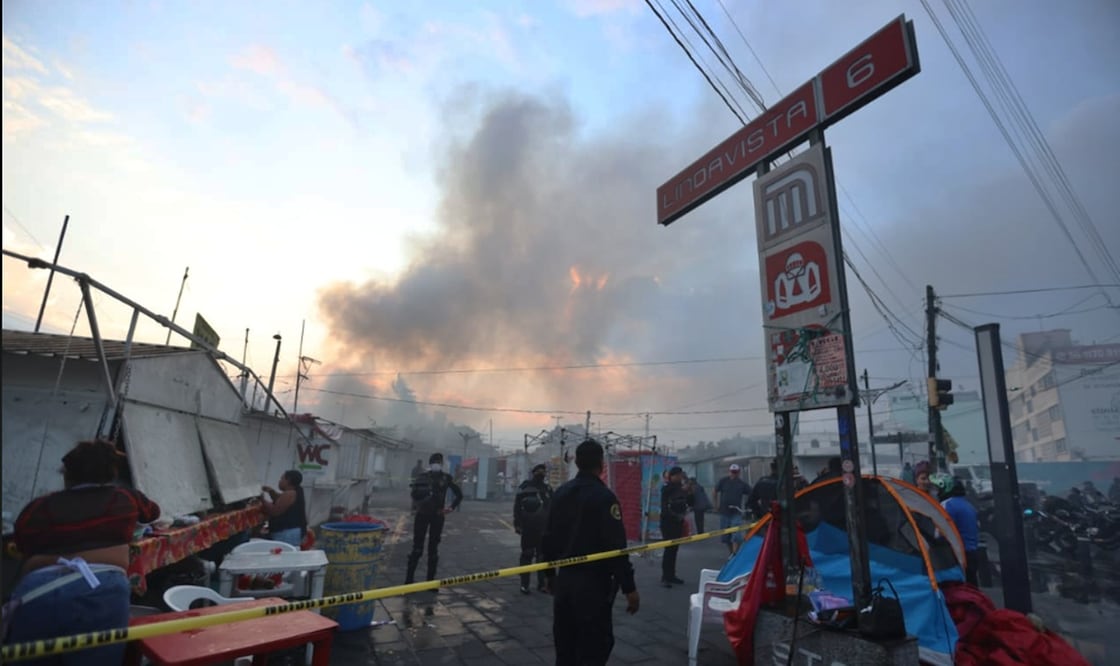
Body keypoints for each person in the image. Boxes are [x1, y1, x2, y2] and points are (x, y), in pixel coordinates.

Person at [5, 439, 161, 665]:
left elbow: (21, 542)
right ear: (111, 473)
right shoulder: (125, 498)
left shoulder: (39, 507)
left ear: (67, 475)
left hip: (38, 592)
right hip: (102, 590)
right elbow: (152, 513)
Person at [542, 439, 639, 666]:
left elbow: (548, 538)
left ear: (577, 462)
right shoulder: (605, 498)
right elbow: (616, 547)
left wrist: (549, 575)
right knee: (595, 647)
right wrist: (629, 587)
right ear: (601, 464)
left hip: (565, 582)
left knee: (565, 645)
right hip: (593, 586)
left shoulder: (561, 493)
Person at [405, 453, 463, 584]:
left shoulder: (437, 477)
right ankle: (412, 581)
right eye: (436, 461)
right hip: (429, 515)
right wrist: (451, 508)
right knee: (420, 548)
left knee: (431, 549)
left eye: (438, 461)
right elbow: (414, 494)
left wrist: (450, 508)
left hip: (431, 515)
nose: (437, 464)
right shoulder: (441, 477)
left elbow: (459, 495)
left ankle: (425, 581)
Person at [932, 474, 980, 586]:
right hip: (972, 553)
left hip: (956, 556)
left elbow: (939, 533)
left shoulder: (946, 505)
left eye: (938, 489)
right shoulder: (968, 505)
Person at [514, 463, 553, 594]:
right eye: (539, 471)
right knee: (528, 556)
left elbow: (552, 508)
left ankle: (541, 584)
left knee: (541, 557)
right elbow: (517, 507)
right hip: (529, 529)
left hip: (542, 529)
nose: (541, 474)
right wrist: (517, 524)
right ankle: (525, 584)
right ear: (534, 473)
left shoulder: (547, 488)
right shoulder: (525, 487)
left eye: (543, 472)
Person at [659, 466, 692, 587]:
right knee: (669, 550)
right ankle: (665, 577)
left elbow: (688, 501)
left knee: (674, 550)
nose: (679, 477)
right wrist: (675, 516)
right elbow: (664, 508)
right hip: (668, 523)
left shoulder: (680, 488)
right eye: (677, 475)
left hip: (679, 522)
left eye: (680, 475)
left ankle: (672, 575)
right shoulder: (666, 488)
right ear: (671, 476)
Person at [261, 470, 307, 548]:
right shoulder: (296, 491)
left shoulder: (290, 494)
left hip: (287, 534)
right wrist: (271, 491)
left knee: (283, 557)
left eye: (281, 479)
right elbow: (279, 499)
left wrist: (261, 499)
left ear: (288, 480)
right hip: (291, 532)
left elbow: (274, 511)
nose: (279, 481)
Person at [714, 464, 751, 555]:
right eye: (732, 472)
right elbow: (715, 491)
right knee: (726, 536)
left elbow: (751, 493)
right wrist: (716, 504)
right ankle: (731, 553)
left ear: (739, 472)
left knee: (736, 535)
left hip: (736, 512)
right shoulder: (723, 481)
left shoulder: (742, 484)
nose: (734, 474)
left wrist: (749, 505)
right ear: (729, 471)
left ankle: (735, 553)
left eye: (736, 472)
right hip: (724, 511)